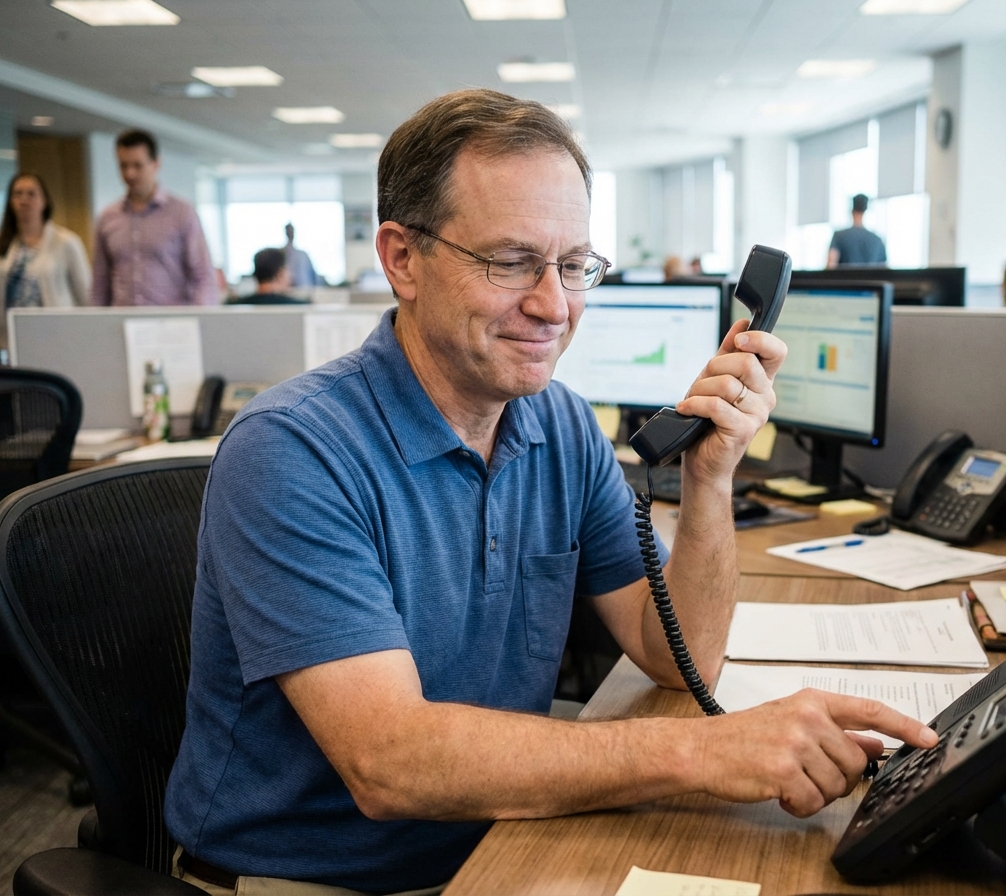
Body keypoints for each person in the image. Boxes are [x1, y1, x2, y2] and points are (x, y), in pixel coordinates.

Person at [164, 89, 936, 895]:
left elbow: (681, 661)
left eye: (573, 266)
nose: (554, 306)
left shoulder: (556, 422)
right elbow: (390, 765)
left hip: (503, 836)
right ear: (403, 259)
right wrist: (710, 750)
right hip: (322, 876)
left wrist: (709, 479)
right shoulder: (293, 450)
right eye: (509, 262)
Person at [90, 128, 218, 307]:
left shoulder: (181, 212)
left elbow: (203, 275)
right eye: (123, 165)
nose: (130, 174)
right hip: (121, 324)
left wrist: (201, 321)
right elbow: (100, 281)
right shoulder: (107, 217)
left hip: (171, 324)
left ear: (156, 163)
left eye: (137, 165)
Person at [0, 173, 90, 328]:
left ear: (45, 200)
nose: (24, 200)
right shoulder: (6, 244)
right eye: (18, 194)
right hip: (12, 335)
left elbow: (87, 296)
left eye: (31, 194)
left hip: (56, 332)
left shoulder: (66, 242)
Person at [229, 248, 307, 305]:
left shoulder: (232, 307)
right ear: (280, 274)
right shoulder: (300, 307)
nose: (291, 275)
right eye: (287, 270)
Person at [827, 194, 886, 268]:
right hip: (870, 279)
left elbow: (831, 265)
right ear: (865, 210)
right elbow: (883, 270)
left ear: (852, 211)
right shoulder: (877, 240)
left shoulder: (839, 236)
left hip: (846, 279)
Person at [283, 222, 318, 288]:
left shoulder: (303, 255)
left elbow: (313, 277)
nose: (290, 233)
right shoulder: (281, 254)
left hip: (304, 290)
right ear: (286, 232)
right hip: (287, 291)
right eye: (289, 231)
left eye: (292, 231)